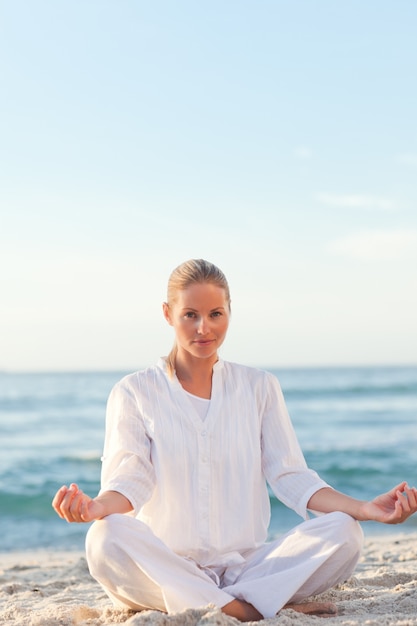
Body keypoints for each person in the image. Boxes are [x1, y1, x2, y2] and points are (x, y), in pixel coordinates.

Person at [52, 258, 417, 622]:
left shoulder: (259, 387)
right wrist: (96, 508)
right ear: (167, 314)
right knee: (104, 538)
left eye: (215, 314)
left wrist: (366, 509)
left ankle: (220, 602)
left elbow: (291, 476)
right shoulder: (134, 391)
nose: (203, 328)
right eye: (190, 315)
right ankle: (249, 608)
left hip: (249, 569)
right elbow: (130, 480)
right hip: (166, 565)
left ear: (229, 312)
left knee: (345, 531)